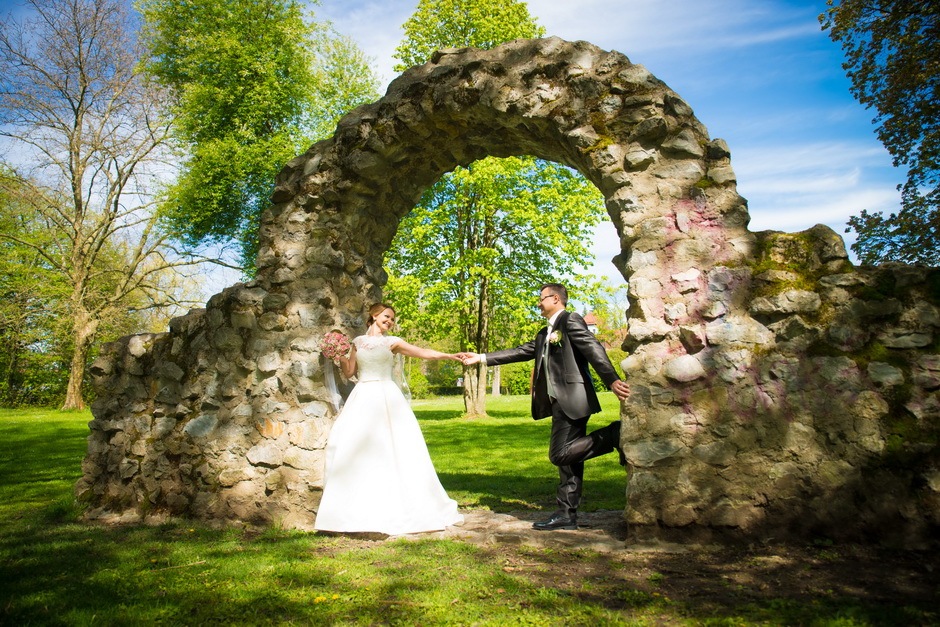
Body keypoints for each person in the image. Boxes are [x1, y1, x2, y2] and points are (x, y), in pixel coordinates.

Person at [459, 283, 630, 531]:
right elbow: (519, 352)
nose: (538, 303)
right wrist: (481, 358)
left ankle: (613, 434)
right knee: (569, 460)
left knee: (559, 454)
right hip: (558, 401)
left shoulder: (571, 320)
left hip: (572, 397)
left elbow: (593, 348)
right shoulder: (544, 334)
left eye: (541, 299)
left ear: (556, 299)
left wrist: (611, 380)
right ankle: (566, 514)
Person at [314, 303, 464, 535]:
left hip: (387, 396)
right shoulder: (357, 342)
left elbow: (422, 352)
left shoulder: (392, 342)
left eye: (392, 319)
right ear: (374, 316)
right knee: (354, 447)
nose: (390, 321)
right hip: (363, 395)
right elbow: (349, 372)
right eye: (386, 317)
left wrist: (449, 355)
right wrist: (339, 356)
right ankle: (353, 510)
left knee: (396, 447)